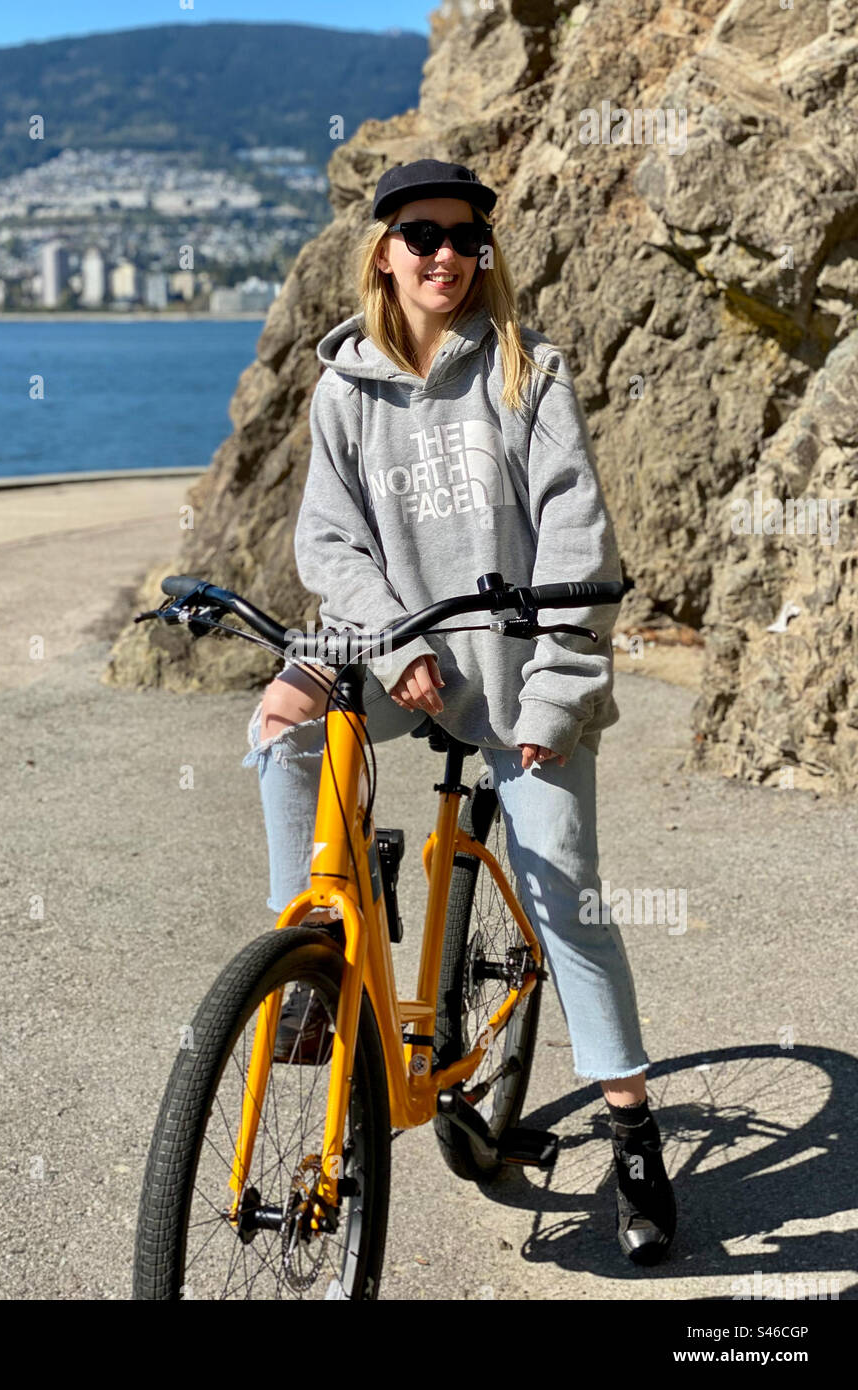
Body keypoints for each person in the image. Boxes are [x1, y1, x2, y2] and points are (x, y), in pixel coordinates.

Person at [240, 159, 676, 1265]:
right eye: (420, 234)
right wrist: (391, 642)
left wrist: (556, 695)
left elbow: (581, 550)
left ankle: (629, 1125)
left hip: (521, 659)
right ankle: (316, 944)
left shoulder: (528, 373)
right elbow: (328, 546)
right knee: (280, 721)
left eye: (464, 237)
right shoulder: (343, 384)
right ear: (381, 250)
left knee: (563, 893)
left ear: (483, 252)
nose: (444, 254)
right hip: (395, 643)